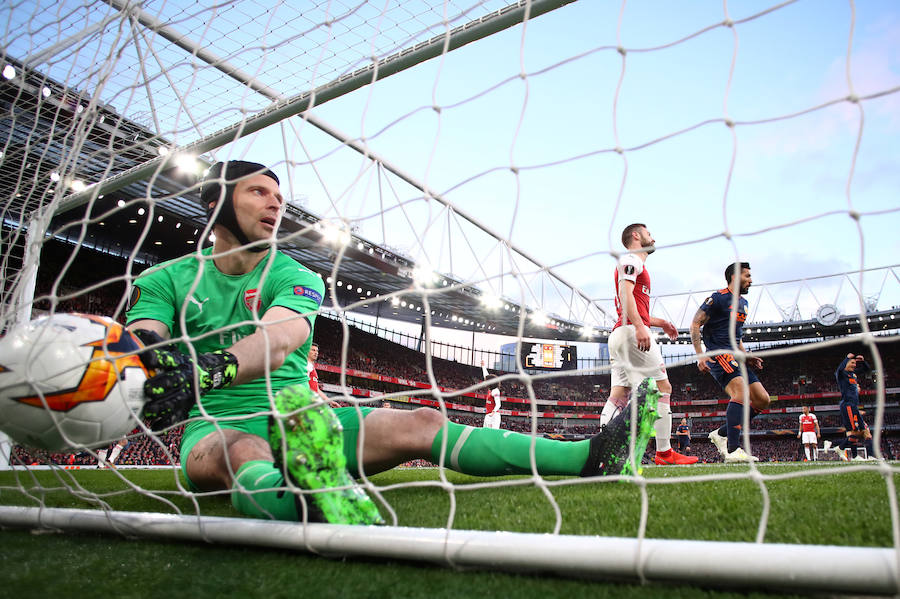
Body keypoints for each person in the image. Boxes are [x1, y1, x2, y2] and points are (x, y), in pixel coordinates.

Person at [126, 160, 660, 526]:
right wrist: (141, 358)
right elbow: (145, 337)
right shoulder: (165, 279)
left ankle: (591, 456)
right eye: (259, 192)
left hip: (303, 419)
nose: (275, 206)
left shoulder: (293, 273)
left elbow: (282, 336)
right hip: (216, 428)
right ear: (218, 201)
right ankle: (308, 504)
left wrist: (207, 368)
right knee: (247, 449)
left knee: (422, 421)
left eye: (280, 196)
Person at [599, 223, 697, 465]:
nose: (653, 237)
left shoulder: (632, 264)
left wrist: (659, 322)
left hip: (619, 334)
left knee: (619, 394)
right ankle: (664, 453)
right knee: (663, 388)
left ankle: (601, 447)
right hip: (631, 332)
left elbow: (630, 304)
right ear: (636, 235)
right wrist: (641, 327)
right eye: (649, 233)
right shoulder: (631, 260)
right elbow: (625, 293)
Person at [690, 261, 770, 463]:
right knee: (741, 393)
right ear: (734, 277)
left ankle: (722, 433)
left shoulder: (744, 304)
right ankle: (733, 450)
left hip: (736, 357)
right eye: (747, 276)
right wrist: (700, 355)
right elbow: (695, 323)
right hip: (719, 354)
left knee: (762, 400)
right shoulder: (717, 298)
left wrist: (746, 356)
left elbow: (737, 337)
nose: (750, 281)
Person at [832, 353, 875, 461]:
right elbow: (838, 370)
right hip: (848, 405)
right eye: (852, 363)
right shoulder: (842, 374)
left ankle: (869, 456)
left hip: (854, 406)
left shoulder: (853, 374)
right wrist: (846, 358)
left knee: (862, 430)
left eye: (855, 363)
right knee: (855, 431)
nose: (854, 365)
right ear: (846, 364)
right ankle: (842, 449)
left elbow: (867, 369)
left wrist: (862, 361)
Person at [307, 342, 339, 408]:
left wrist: (330, 401)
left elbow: (316, 389)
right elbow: (302, 384)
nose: (316, 353)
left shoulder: (312, 367)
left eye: (317, 351)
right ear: (307, 351)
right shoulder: (306, 366)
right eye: (313, 350)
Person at [481, 360, 502, 430]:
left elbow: (498, 404)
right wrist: (483, 366)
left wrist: (493, 412)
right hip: (488, 415)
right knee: (485, 433)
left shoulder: (495, 391)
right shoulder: (490, 390)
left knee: (492, 435)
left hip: (494, 416)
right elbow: (486, 376)